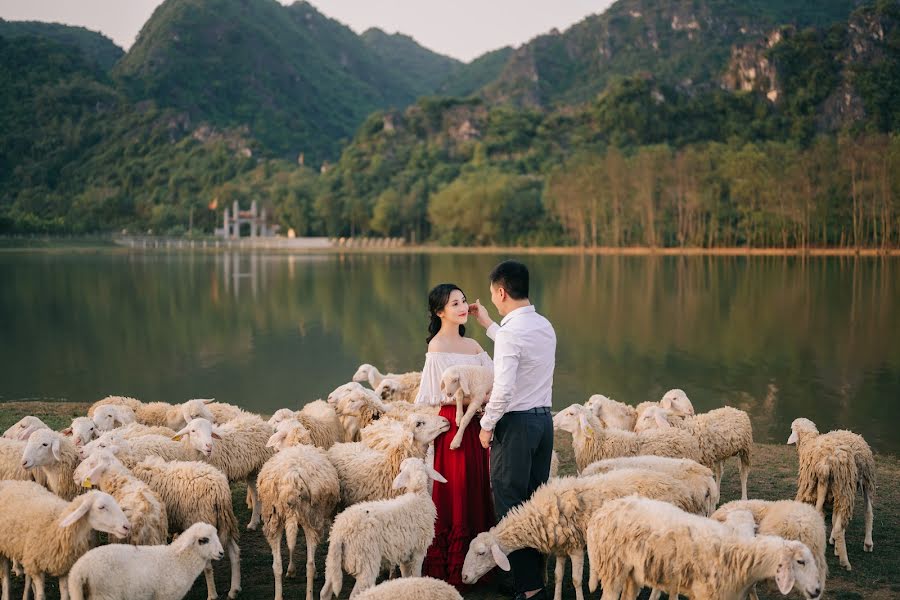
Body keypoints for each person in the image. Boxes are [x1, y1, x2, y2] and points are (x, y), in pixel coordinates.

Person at [470, 260, 556, 600]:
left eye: (492, 294)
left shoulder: (510, 333)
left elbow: (504, 389)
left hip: (516, 424)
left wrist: (486, 426)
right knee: (534, 505)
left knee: (511, 506)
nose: (492, 299)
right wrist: (489, 325)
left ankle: (530, 589)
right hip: (543, 423)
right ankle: (535, 576)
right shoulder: (544, 325)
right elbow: (517, 349)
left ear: (501, 292)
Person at [414, 283, 496, 589]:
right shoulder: (436, 348)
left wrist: (484, 400)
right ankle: (451, 564)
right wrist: (469, 398)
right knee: (457, 488)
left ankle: (483, 563)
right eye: (454, 304)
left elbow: (494, 379)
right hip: (452, 423)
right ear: (440, 312)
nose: (463, 308)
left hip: (477, 423)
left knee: (477, 484)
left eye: (463, 301)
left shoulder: (474, 346)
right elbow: (434, 396)